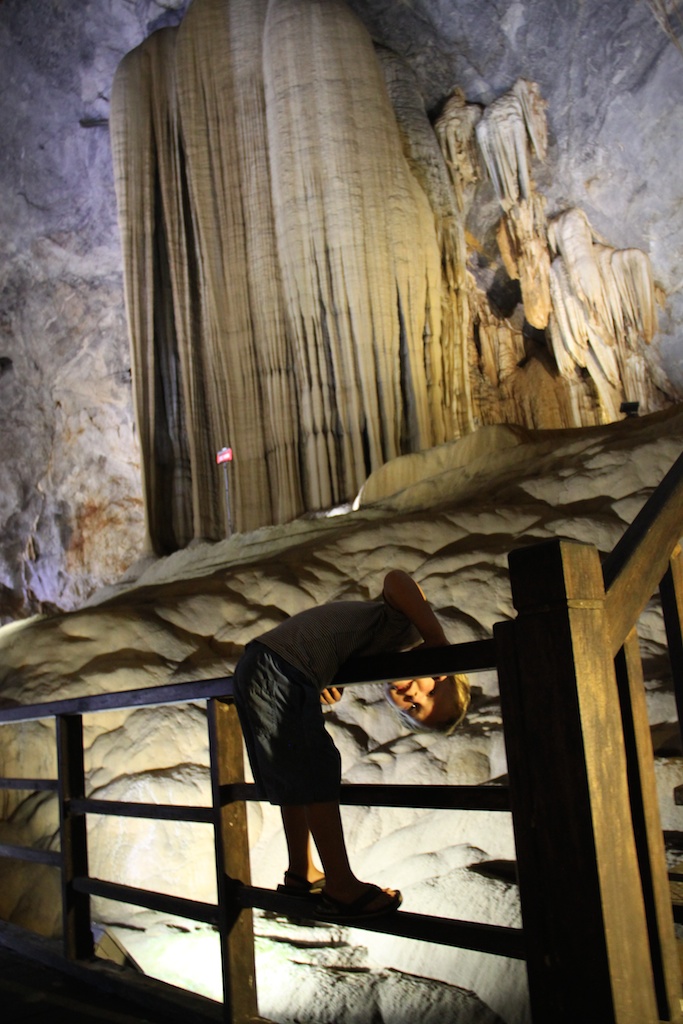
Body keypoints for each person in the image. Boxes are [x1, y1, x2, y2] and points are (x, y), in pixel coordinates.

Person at [232, 569, 470, 923]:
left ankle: (301, 872)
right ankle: (341, 885)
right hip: (282, 666)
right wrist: (435, 638)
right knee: (317, 769)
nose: (414, 694)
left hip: (270, 665)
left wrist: (329, 674)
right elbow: (397, 580)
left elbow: (336, 642)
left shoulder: (377, 650)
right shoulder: (402, 627)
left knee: (295, 773)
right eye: (433, 688)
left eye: (415, 709)